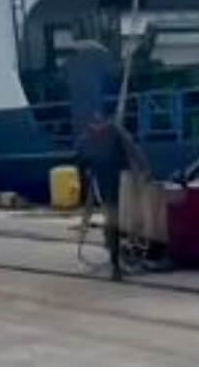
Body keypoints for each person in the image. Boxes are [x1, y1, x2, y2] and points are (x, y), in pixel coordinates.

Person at [74, 109, 137, 282]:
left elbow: (81, 165)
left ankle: (115, 257)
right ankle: (116, 262)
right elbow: (131, 154)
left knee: (113, 221)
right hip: (112, 185)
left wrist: (83, 189)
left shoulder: (88, 139)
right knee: (113, 220)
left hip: (109, 184)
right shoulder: (114, 134)